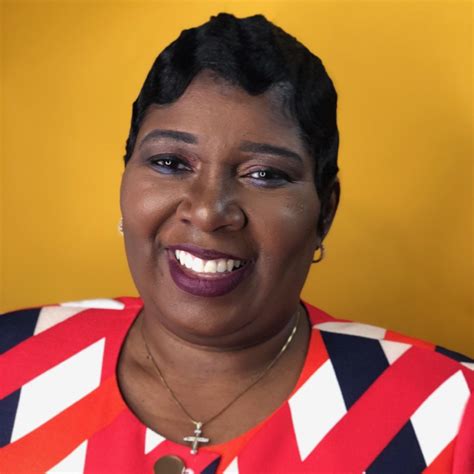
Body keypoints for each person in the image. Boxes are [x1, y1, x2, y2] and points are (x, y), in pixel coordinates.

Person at [0, 13, 472, 474]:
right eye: (170, 163)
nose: (208, 211)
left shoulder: (453, 412)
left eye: (263, 174)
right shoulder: (9, 360)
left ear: (324, 212)